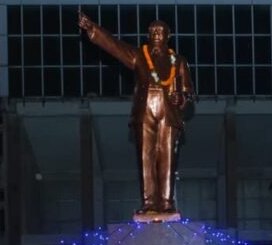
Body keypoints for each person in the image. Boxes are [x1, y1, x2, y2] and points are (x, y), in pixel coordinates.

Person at [78, 13, 194, 215]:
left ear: (168, 35)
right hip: (145, 111)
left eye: (160, 31)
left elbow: (189, 92)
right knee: (145, 157)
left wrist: (182, 99)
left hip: (168, 112)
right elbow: (115, 46)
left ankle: (166, 202)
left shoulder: (178, 61)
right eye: (152, 31)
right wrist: (92, 29)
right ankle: (149, 202)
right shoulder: (140, 55)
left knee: (167, 158)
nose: (156, 34)